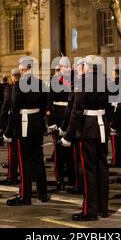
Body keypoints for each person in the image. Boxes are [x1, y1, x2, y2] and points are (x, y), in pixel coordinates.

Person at [60, 55, 111, 221]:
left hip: (88, 128)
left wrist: (68, 135)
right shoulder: (106, 81)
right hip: (102, 127)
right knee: (102, 168)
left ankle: (90, 210)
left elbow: (77, 111)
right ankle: (103, 207)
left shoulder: (83, 82)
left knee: (88, 170)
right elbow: (111, 106)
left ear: (88, 67)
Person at [5, 57, 48, 206]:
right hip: (37, 123)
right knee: (38, 159)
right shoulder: (40, 83)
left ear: (22, 69)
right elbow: (44, 106)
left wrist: (9, 131)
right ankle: (43, 193)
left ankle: (25, 195)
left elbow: (14, 109)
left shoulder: (19, 84)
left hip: (24, 124)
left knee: (24, 162)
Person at [47, 57, 74, 191]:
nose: (67, 69)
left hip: (71, 119)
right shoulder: (55, 81)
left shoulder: (75, 80)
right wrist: (50, 121)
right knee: (59, 152)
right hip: (58, 119)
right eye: (64, 67)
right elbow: (49, 101)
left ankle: (72, 177)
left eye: (68, 67)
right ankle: (60, 178)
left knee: (71, 151)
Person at [59, 58, 85, 195]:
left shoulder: (79, 83)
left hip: (79, 127)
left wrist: (65, 129)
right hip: (95, 126)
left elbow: (73, 109)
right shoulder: (100, 82)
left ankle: (78, 185)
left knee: (77, 159)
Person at [0, 68, 20, 186]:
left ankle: (12, 177)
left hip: (13, 124)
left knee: (12, 153)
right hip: (26, 123)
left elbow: (5, 107)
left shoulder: (10, 89)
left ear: (13, 77)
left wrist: (0, 124)